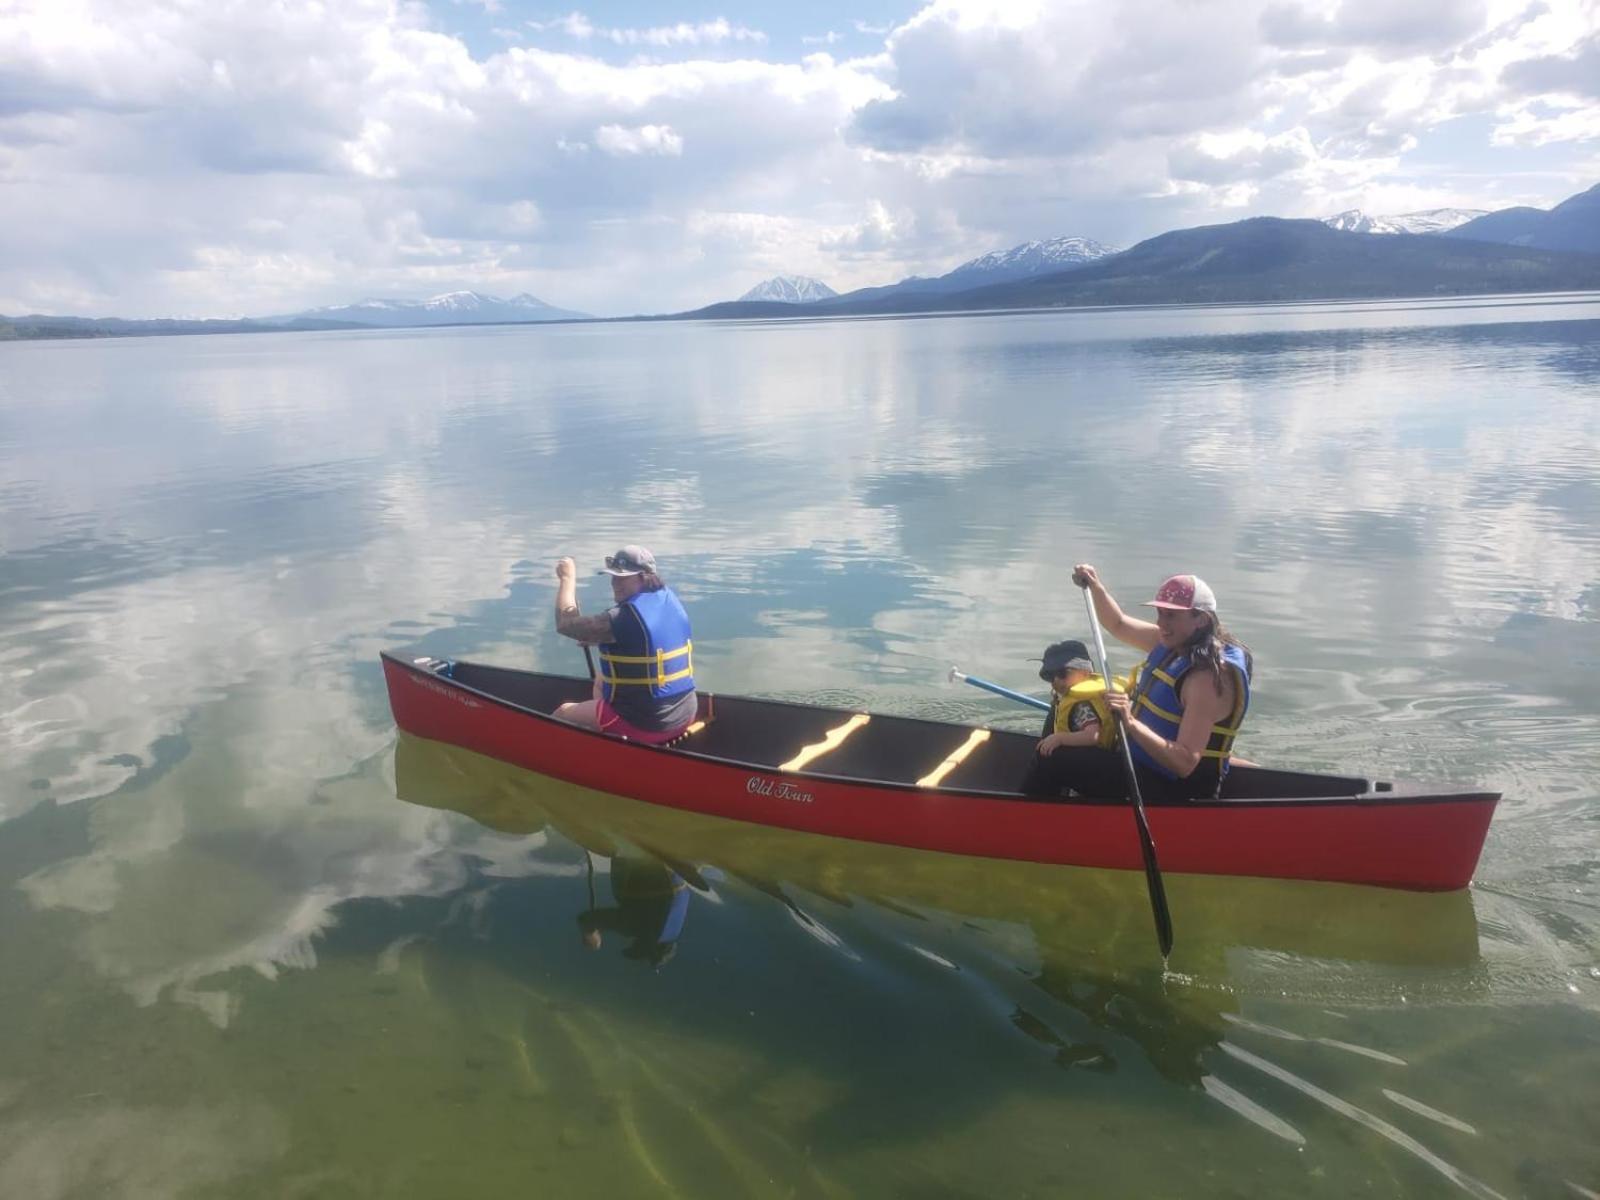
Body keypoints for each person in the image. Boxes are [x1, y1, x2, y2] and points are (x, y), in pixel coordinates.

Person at [1023, 566, 1252, 801]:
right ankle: (1061, 805)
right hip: (1138, 760)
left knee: (1052, 757)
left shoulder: (1207, 679)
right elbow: (1118, 624)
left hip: (1175, 788)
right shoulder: (1172, 643)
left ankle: (1030, 818)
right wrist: (1095, 586)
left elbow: (1184, 763)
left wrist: (1130, 721)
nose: (1161, 623)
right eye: (1160, 613)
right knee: (1058, 713)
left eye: (1171, 615)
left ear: (1201, 619)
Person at [552, 544, 697, 744]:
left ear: (644, 577)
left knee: (563, 711)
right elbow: (645, 638)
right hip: (685, 714)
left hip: (645, 723)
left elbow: (565, 625)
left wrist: (567, 579)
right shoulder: (668, 599)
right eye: (614, 576)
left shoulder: (623, 617)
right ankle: (603, 737)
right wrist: (600, 638)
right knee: (601, 680)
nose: (615, 583)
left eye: (623, 578)